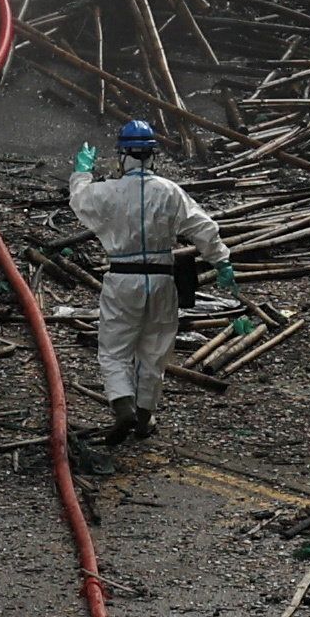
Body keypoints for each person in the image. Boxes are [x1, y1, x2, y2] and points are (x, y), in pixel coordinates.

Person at [65, 118, 232, 442]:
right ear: (152, 156)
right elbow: (204, 228)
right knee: (154, 351)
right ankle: (143, 418)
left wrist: (81, 173)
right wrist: (222, 261)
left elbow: (80, 201)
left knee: (114, 350)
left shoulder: (108, 192)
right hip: (161, 279)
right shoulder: (169, 192)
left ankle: (123, 405)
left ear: (122, 156)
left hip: (123, 278)